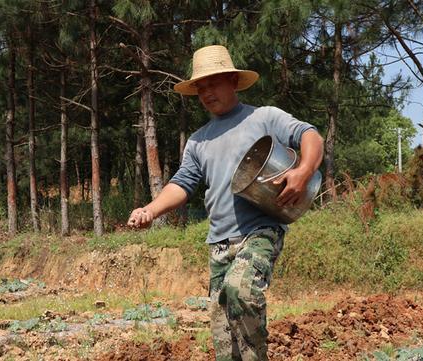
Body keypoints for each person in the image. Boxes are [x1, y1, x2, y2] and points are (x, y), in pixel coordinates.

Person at [127, 45, 324, 361]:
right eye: (200, 87)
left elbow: (310, 136)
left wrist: (303, 171)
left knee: (241, 289)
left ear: (233, 80)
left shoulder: (265, 117)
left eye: (213, 83)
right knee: (224, 342)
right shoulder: (198, 140)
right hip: (219, 244)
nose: (206, 93)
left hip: (260, 230)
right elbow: (182, 184)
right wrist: (151, 209)